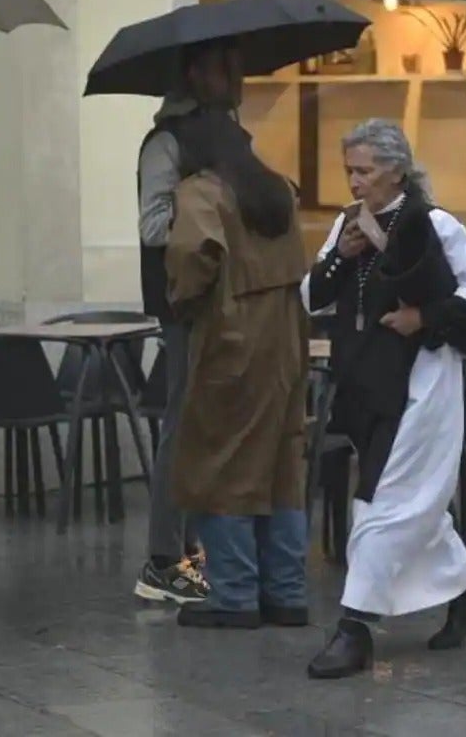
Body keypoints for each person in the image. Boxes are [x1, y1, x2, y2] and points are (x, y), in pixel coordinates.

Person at [302, 119, 466, 679]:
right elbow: (312, 297)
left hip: (424, 383)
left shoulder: (435, 223)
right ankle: (464, 596)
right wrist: (340, 254)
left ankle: (354, 627)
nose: (355, 182)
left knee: (383, 502)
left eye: (363, 171)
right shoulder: (347, 224)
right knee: (411, 499)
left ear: (394, 168)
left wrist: (424, 317)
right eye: (350, 172)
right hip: (365, 383)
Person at [163, 108, 309, 629]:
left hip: (232, 336)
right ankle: (287, 591)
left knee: (219, 462)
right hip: (287, 336)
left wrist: (179, 301)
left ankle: (234, 593)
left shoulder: (202, 193)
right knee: (282, 461)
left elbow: (192, 259)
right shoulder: (277, 189)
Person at [133, 37, 244, 604]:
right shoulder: (167, 144)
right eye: (226, 66)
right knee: (182, 425)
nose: (237, 75)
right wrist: (201, 205)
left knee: (211, 427)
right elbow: (152, 228)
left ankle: (200, 553)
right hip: (183, 303)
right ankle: (163, 558)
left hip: (226, 299)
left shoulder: (227, 137)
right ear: (198, 75)